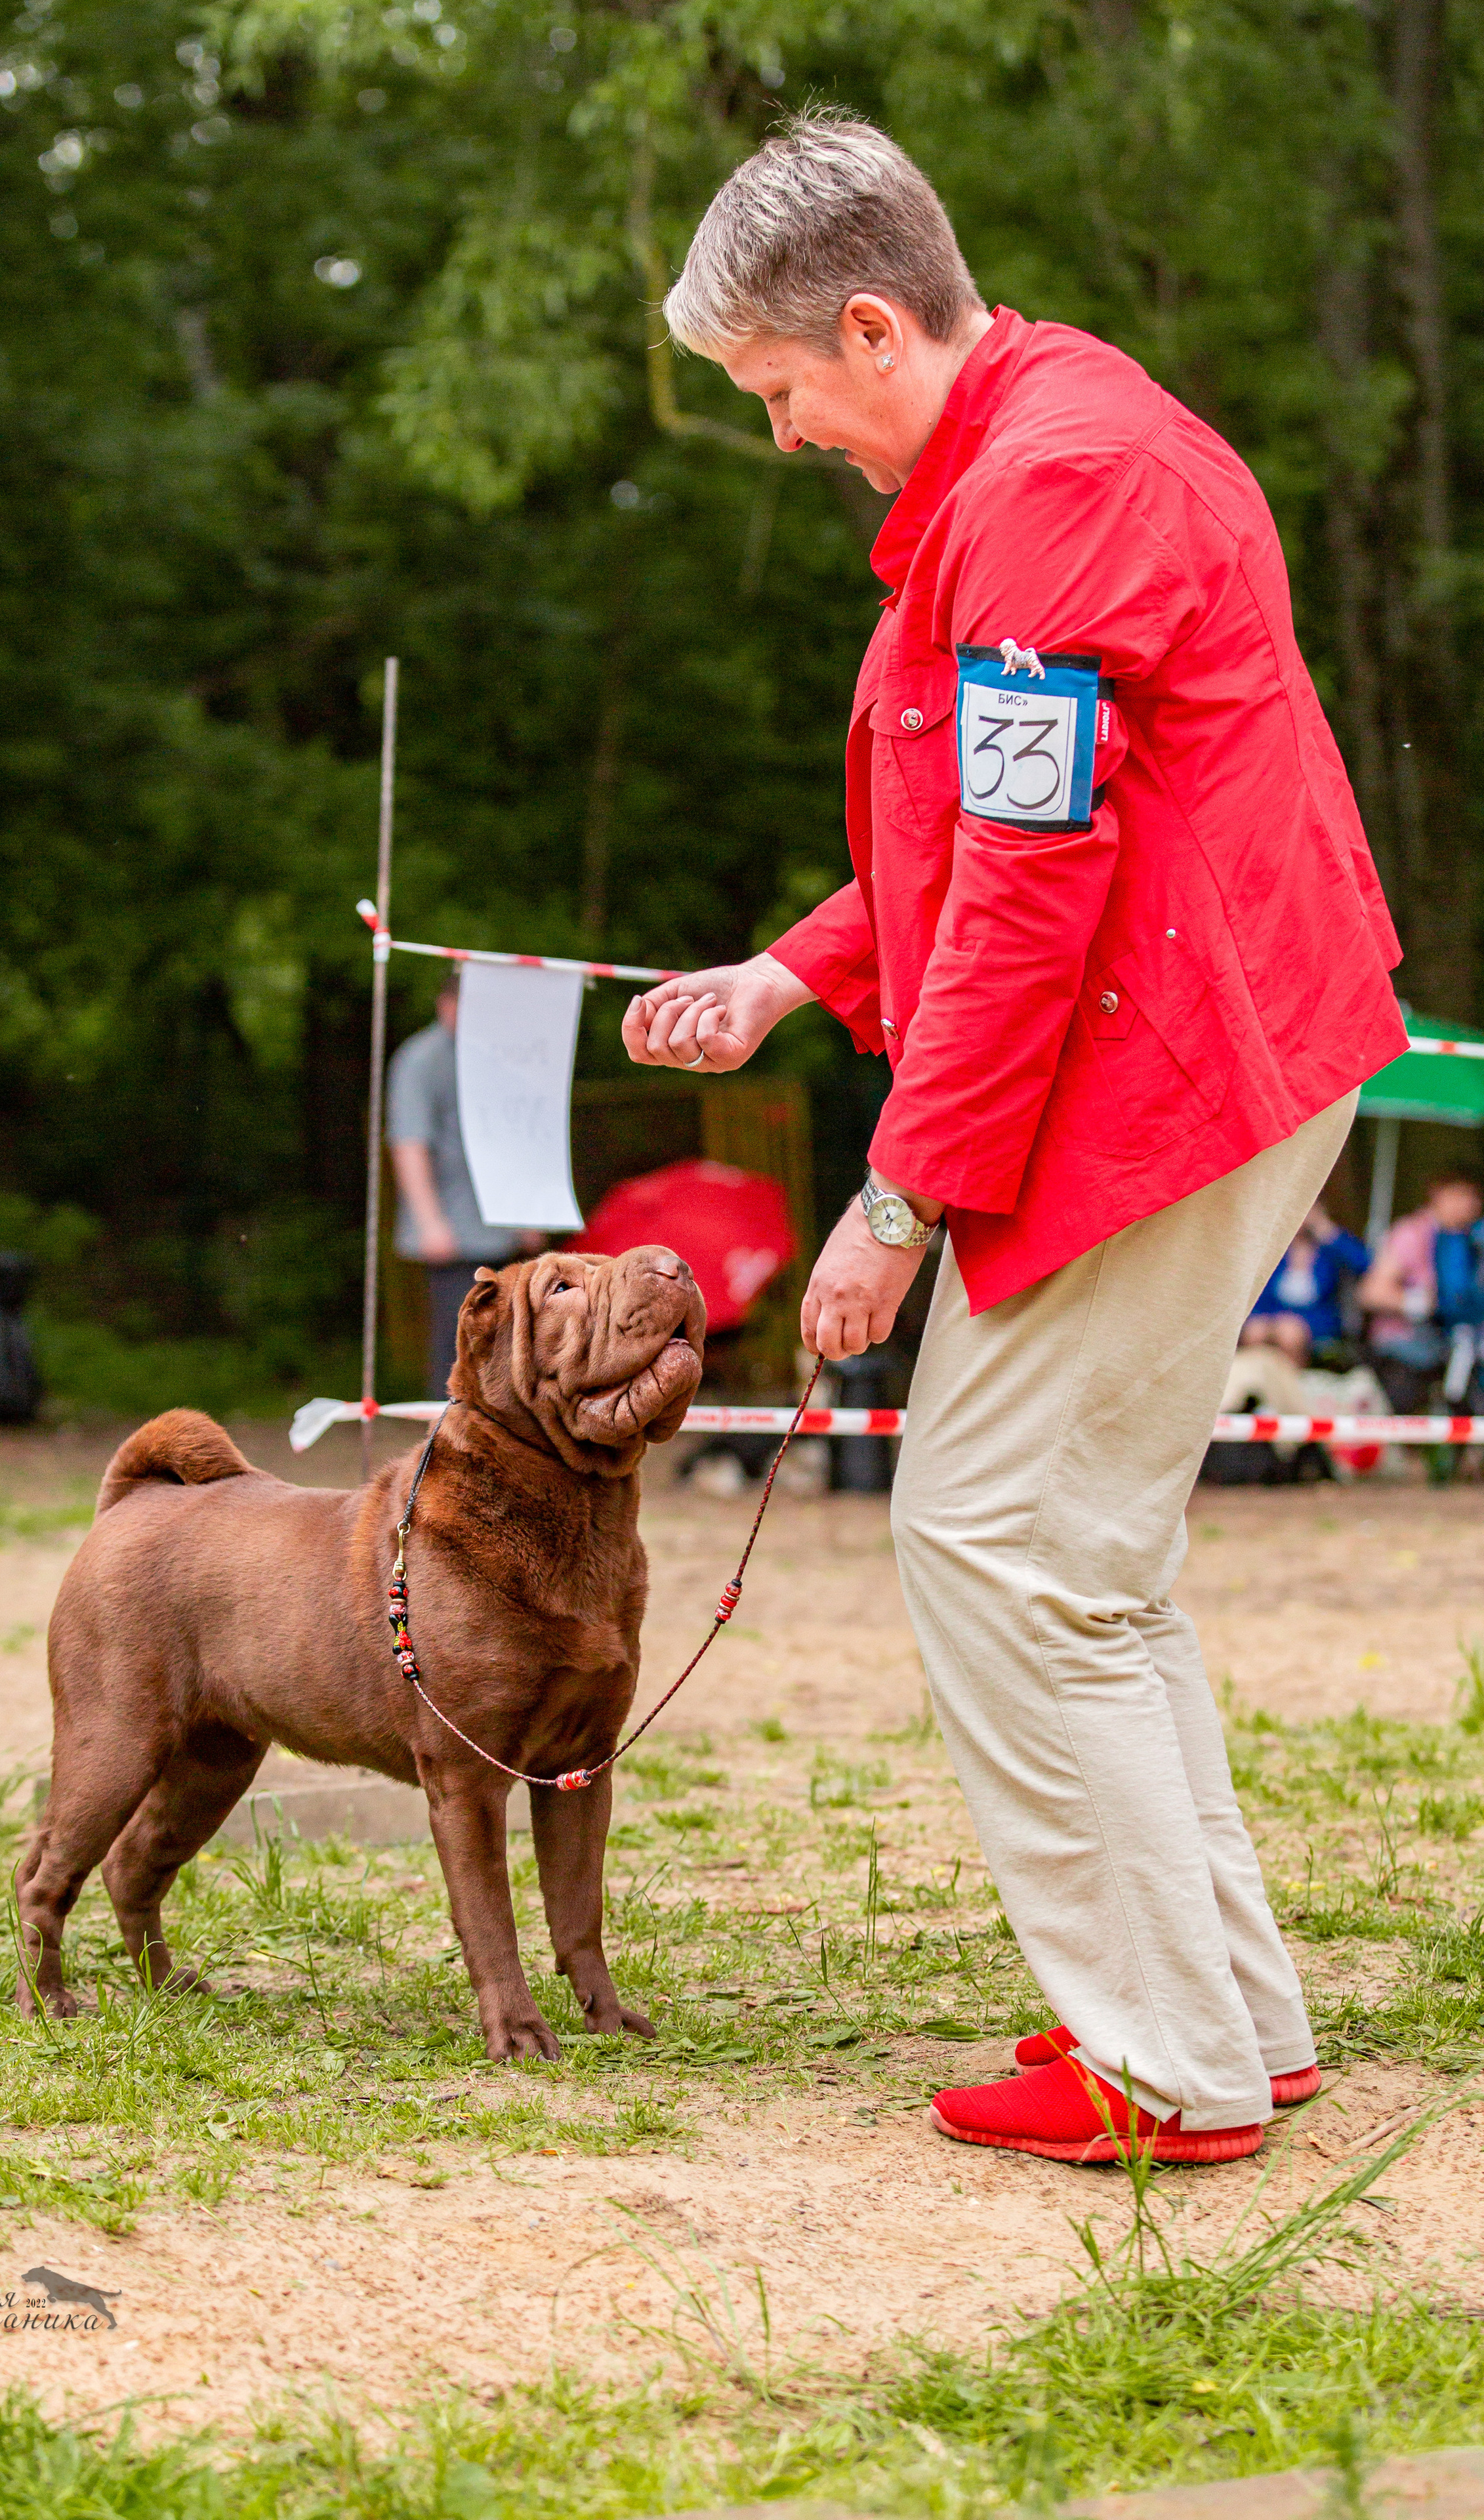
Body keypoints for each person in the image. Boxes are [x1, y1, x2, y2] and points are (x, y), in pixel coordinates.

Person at [624, 109, 1407, 2166]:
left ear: (869, 328)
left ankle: (1161, 2065)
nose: (784, 436)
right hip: (1209, 1037)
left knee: (990, 1535)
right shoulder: (1041, 438)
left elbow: (1037, 878)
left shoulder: (1051, 490)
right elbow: (981, 821)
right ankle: (1225, 2016)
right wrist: (799, 973)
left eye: (778, 393)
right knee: (1089, 1559)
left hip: (1183, 1064)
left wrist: (894, 1198)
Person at [387, 980, 537, 1397]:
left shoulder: (496, 1058)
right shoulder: (419, 1061)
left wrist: (525, 1214)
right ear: (447, 1005)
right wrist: (430, 1222)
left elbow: (515, 1138)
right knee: (458, 1348)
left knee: (506, 1343)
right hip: (453, 1235)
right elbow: (409, 1143)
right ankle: (449, 1434)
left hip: (499, 1230)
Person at [1357, 1169, 1484, 1413]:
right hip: (1402, 1347)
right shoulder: (1412, 1232)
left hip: (1451, 1347)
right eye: (1463, 1196)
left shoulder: (1471, 1239)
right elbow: (1371, 1291)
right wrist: (1416, 1302)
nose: (1472, 1205)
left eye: (1475, 1198)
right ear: (1439, 1195)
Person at [1241, 1202, 1371, 1366]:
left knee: (1289, 1333)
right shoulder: (1276, 1250)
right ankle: (1259, 1384)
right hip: (1273, 1315)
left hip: (1317, 1319)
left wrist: (1326, 1230)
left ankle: (1291, 1386)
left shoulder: (1328, 1250)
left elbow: (1364, 1263)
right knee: (1254, 1331)